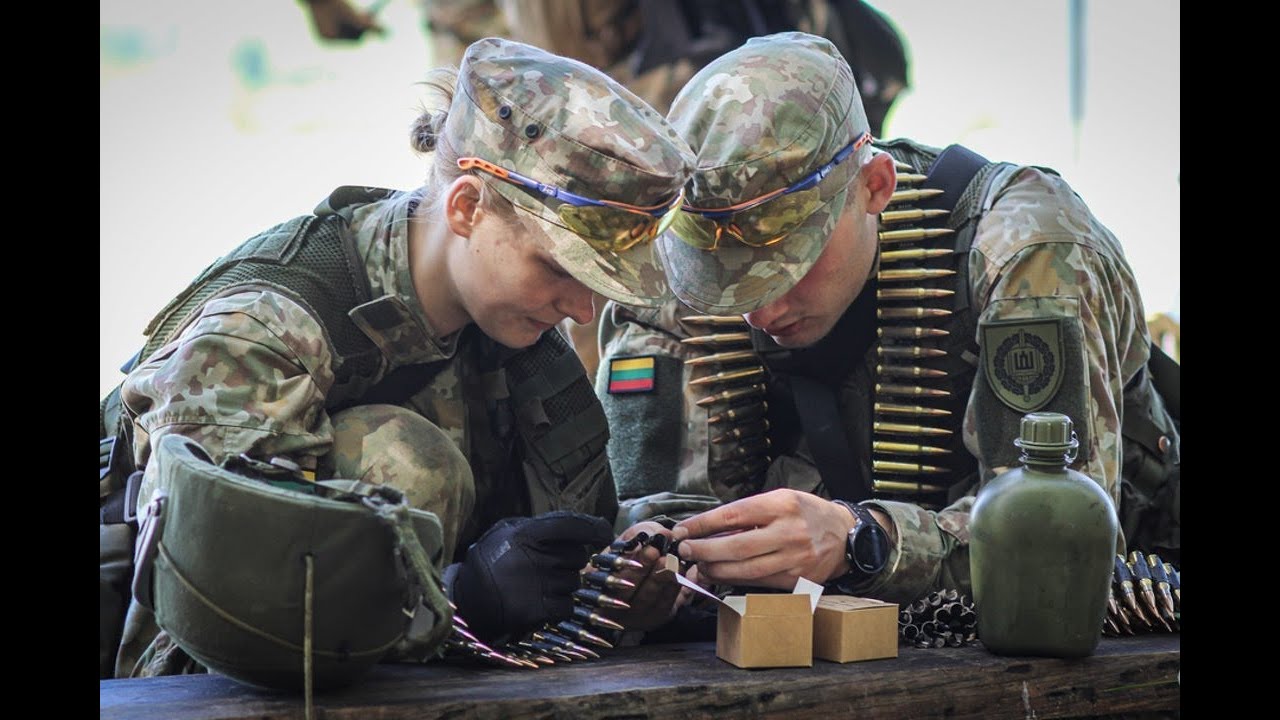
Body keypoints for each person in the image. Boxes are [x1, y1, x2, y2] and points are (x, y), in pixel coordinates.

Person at [99, 36, 694, 679]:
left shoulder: (525, 350)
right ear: (467, 208)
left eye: (601, 286)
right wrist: (457, 599)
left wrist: (626, 576)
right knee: (401, 455)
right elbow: (184, 650)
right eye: (558, 268)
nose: (582, 310)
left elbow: (572, 538)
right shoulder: (261, 334)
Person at [597, 32, 1179, 605]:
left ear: (875, 187)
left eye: (790, 264)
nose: (760, 311)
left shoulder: (1025, 253)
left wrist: (863, 541)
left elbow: (1054, 544)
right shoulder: (672, 275)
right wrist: (658, 565)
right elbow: (657, 505)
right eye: (720, 273)